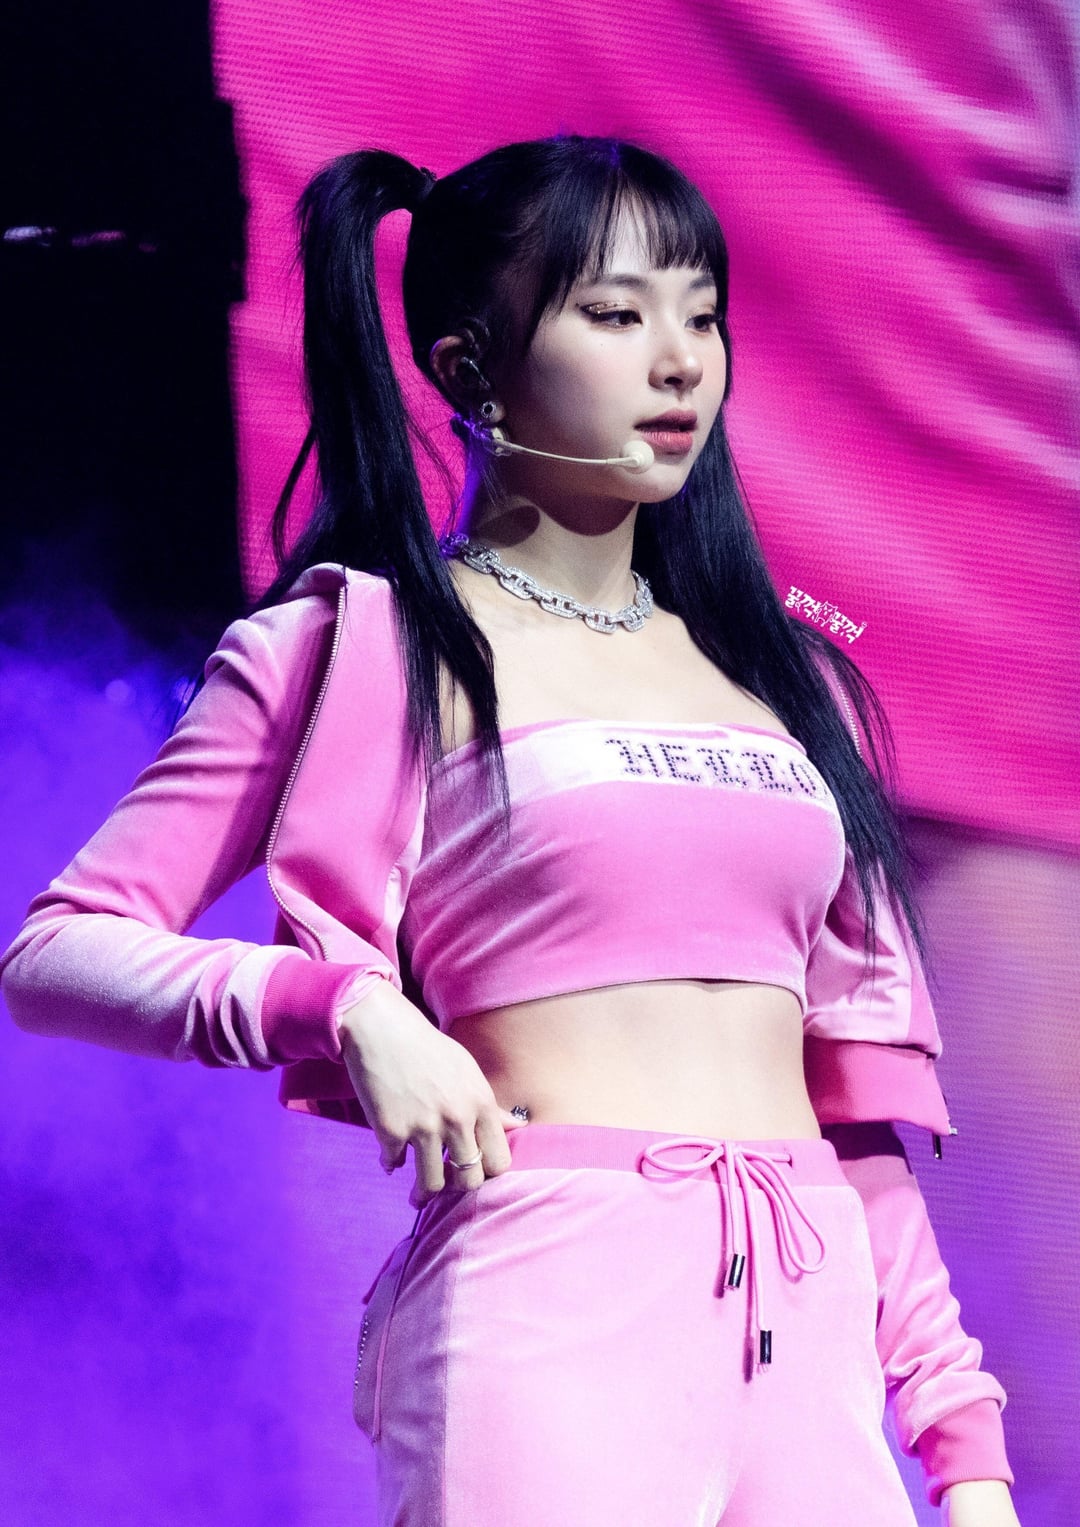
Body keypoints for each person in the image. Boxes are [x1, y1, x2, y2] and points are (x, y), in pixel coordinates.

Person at [0, 134, 1019, 1526]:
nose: (682, 362)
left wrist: (966, 1456)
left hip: (807, 1314)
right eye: (616, 314)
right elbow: (55, 953)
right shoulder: (360, 646)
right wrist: (343, 1006)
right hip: (549, 1304)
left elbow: (852, 1112)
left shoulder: (793, 685)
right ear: (470, 365)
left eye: (703, 314)